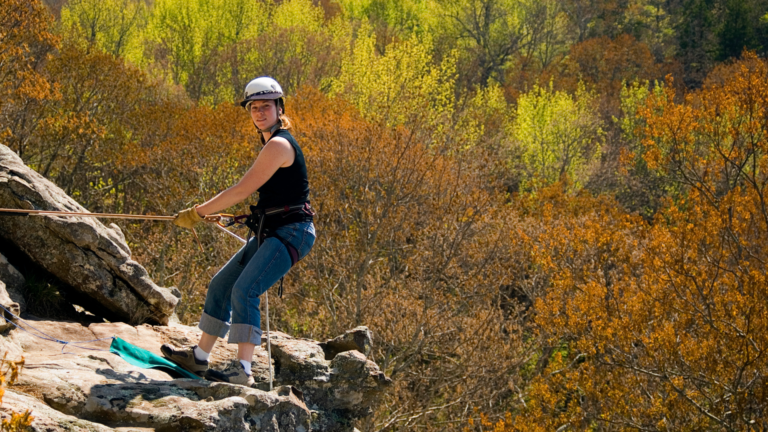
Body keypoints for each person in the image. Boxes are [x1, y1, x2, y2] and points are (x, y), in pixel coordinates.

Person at [161, 77, 315, 386]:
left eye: (266, 106)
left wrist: (196, 212)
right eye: (254, 108)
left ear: (279, 108)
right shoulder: (272, 142)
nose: (259, 113)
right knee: (221, 286)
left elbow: (242, 189)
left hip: (291, 233)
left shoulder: (279, 144)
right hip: (273, 229)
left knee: (245, 291)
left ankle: (243, 371)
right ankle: (200, 358)